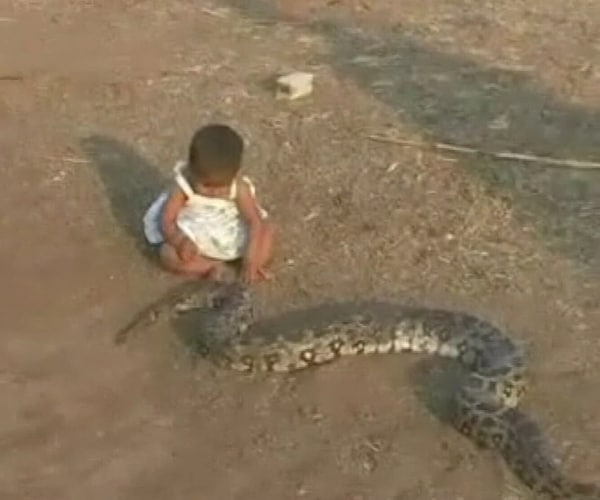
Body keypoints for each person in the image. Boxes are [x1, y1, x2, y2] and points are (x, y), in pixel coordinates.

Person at [142, 124, 274, 282]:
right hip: (196, 234)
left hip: (230, 231)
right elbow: (167, 219)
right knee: (168, 254)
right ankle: (211, 267)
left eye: (221, 186)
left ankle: (252, 267)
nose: (214, 192)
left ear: (236, 173)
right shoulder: (183, 186)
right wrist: (180, 239)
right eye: (206, 186)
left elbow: (254, 221)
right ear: (192, 171)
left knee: (267, 230)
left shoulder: (239, 187)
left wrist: (252, 258)